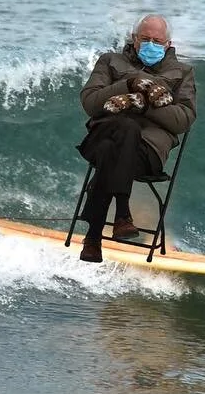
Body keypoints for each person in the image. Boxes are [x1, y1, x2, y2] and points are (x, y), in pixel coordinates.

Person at [76, 14, 197, 262]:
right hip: (101, 138)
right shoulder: (110, 61)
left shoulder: (182, 72)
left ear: (167, 44)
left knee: (121, 138)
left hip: (147, 152)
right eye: (145, 39)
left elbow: (183, 119)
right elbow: (90, 103)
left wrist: (143, 105)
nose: (151, 44)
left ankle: (93, 236)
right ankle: (121, 214)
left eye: (157, 40)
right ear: (134, 39)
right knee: (123, 130)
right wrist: (129, 85)